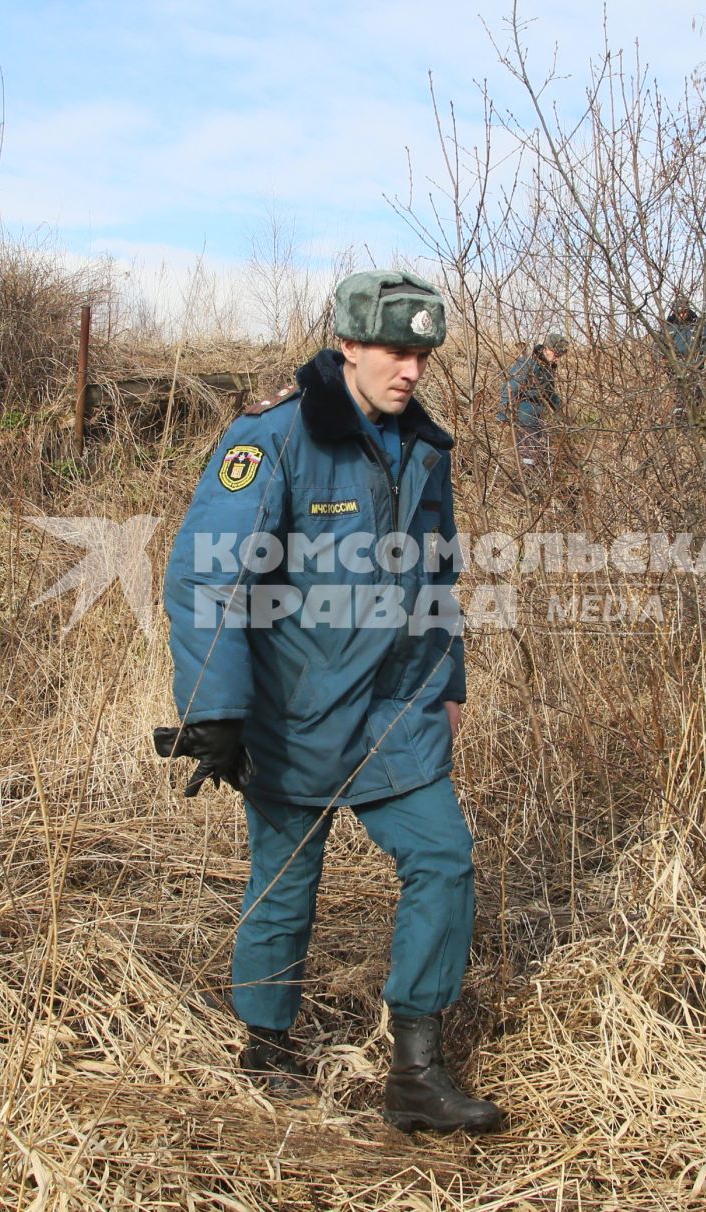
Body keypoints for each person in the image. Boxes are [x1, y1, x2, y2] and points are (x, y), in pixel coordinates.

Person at [160, 270, 502, 1133]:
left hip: (399, 710)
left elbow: (439, 575)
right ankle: (268, 1046)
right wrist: (217, 710)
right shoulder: (273, 440)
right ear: (347, 345)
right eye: (396, 350)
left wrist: (449, 682)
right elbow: (206, 575)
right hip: (295, 709)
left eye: (423, 353)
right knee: (284, 883)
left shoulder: (425, 447)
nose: (413, 370)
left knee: (446, 861)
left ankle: (416, 1068)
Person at [498, 332, 568, 476]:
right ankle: (523, 485)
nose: (557, 358)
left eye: (559, 356)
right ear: (546, 349)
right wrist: (503, 414)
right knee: (528, 456)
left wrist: (562, 411)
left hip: (538, 417)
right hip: (525, 416)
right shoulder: (529, 364)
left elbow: (548, 394)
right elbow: (511, 387)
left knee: (537, 454)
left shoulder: (547, 368)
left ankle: (532, 484)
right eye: (555, 354)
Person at [662, 291, 706, 418]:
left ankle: (692, 418)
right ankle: (680, 419)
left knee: (694, 392)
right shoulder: (668, 326)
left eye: (684, 312)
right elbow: (658, 345)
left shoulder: (698, 323)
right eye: (679, 312)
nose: (682, 315)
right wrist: (662, 358)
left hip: (694, 364)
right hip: (674, 365)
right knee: (680, 392)